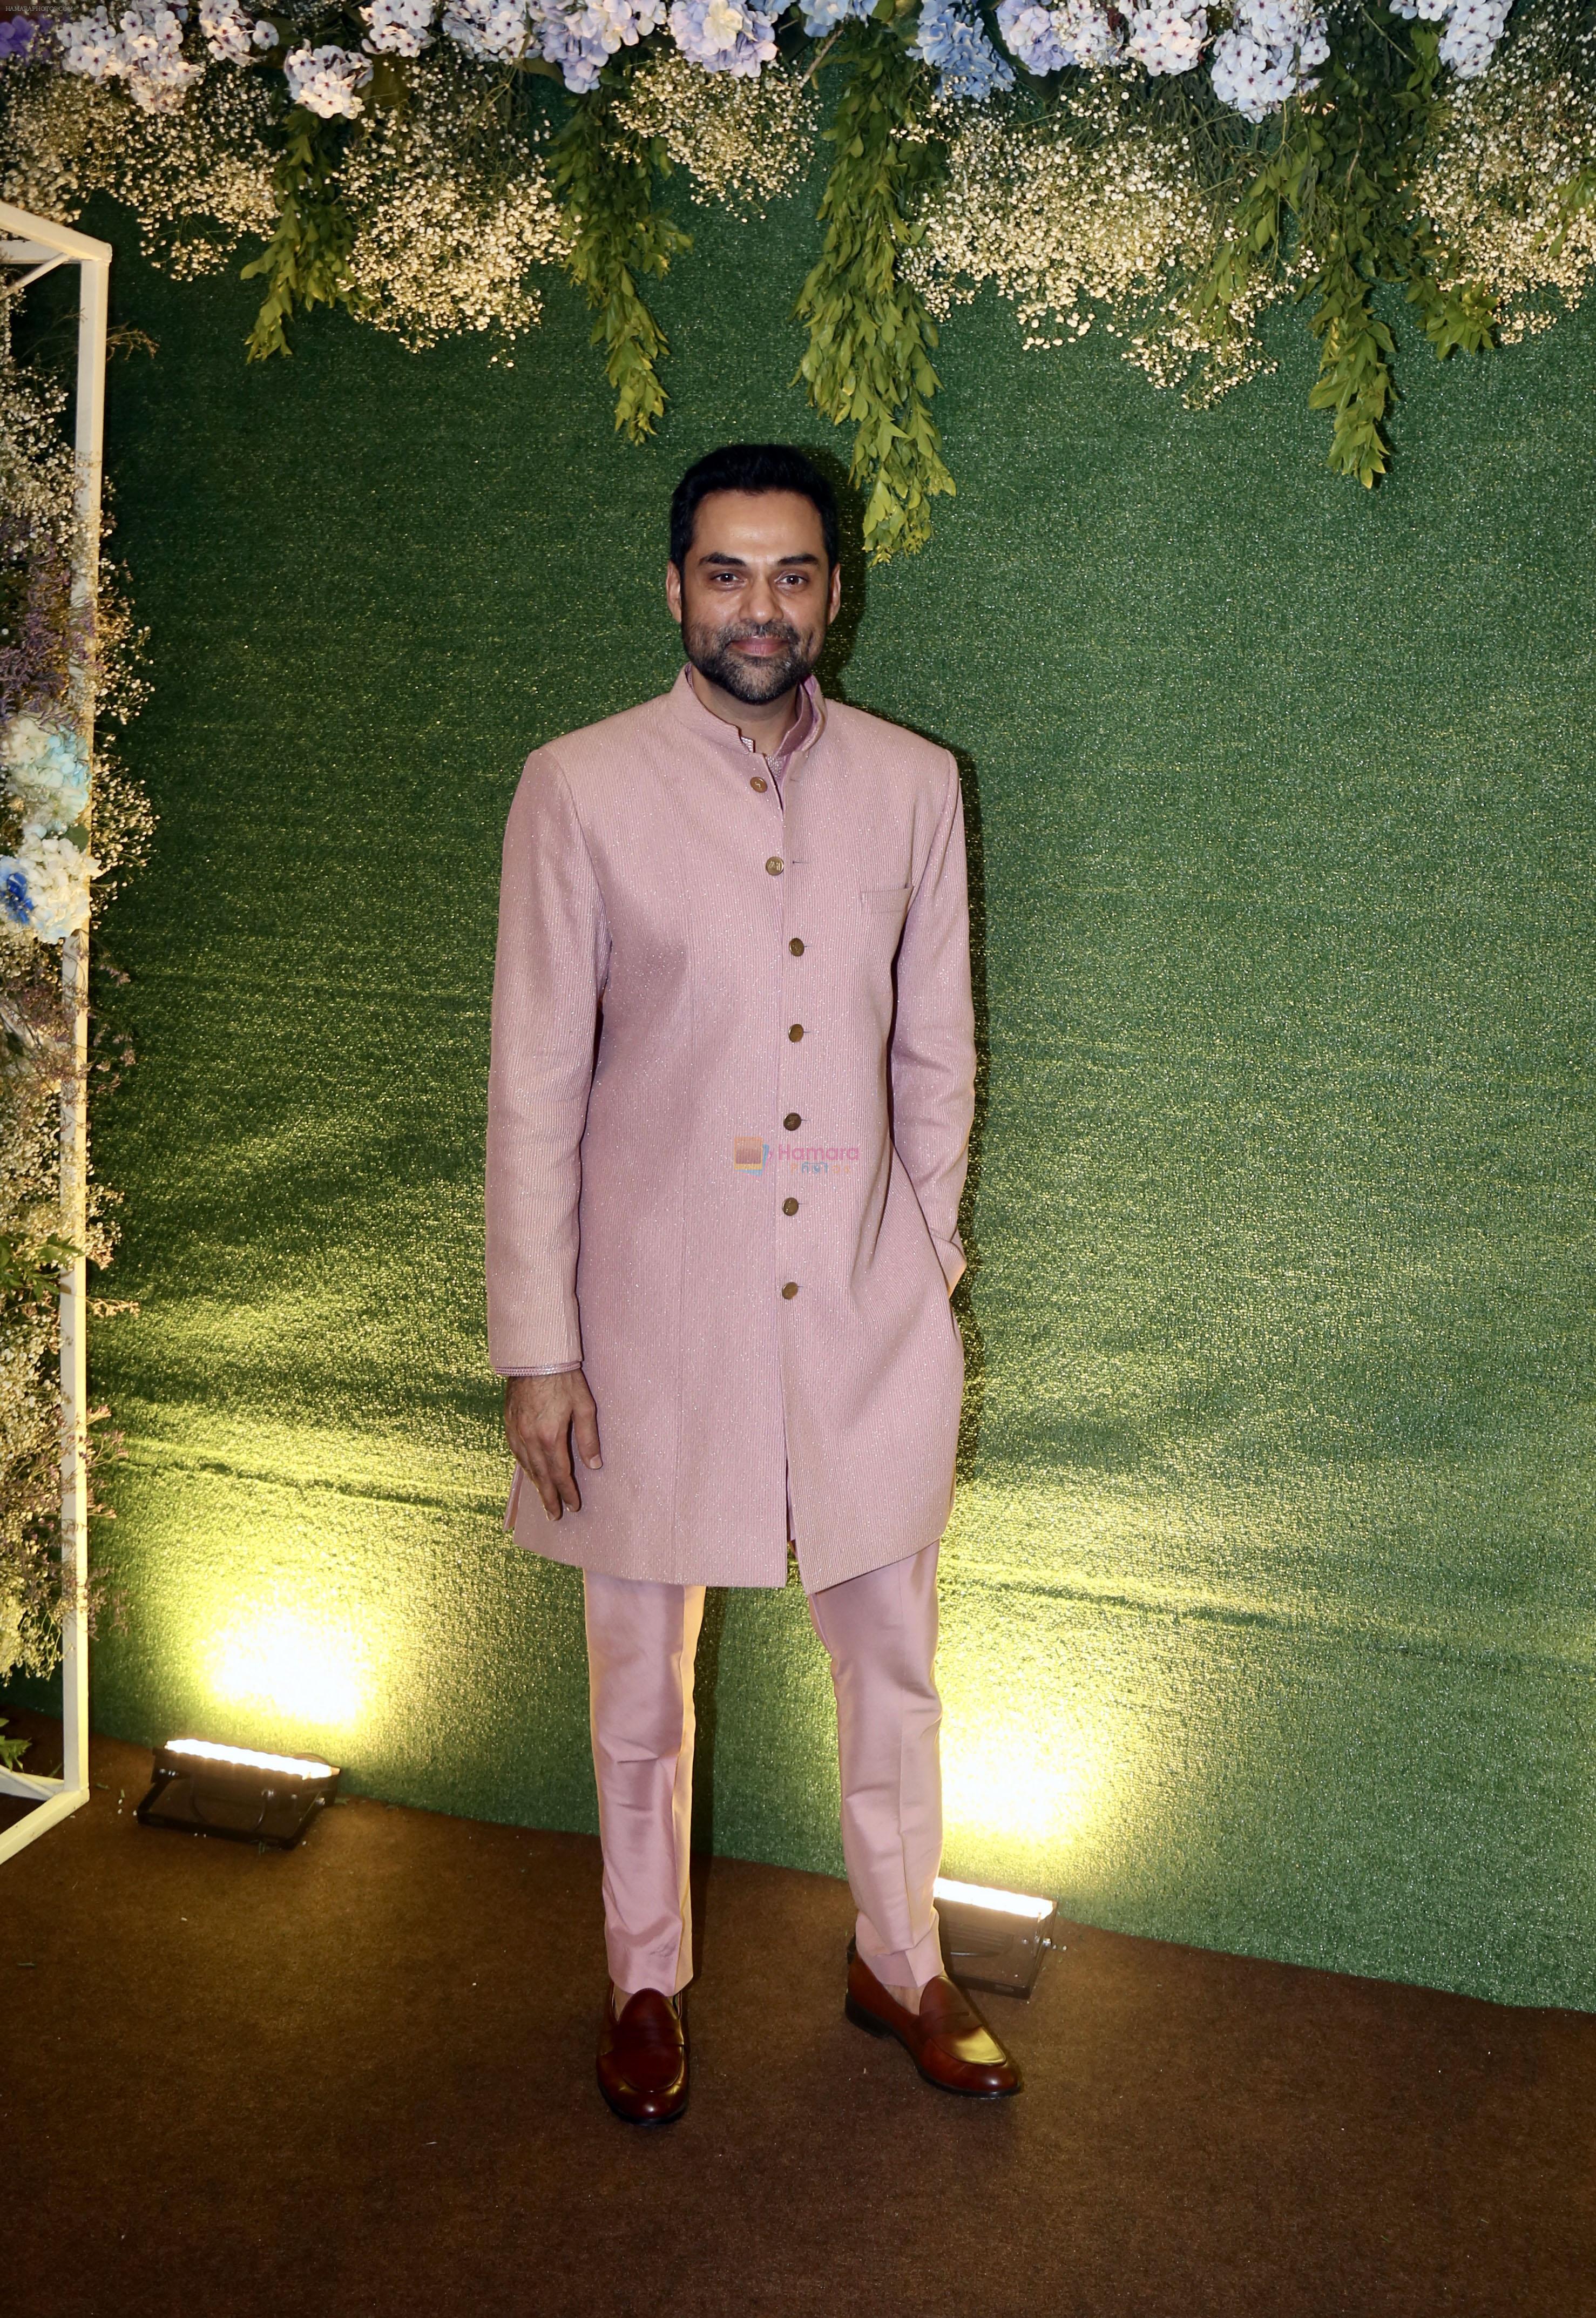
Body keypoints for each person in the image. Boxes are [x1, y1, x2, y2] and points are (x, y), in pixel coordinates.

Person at [486, 442, 1020, 2123]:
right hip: (649, 1325)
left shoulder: (916, 786)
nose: (759, 607)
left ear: (833, 593)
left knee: (896, 1670)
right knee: (639, 1686)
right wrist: (538, 1346)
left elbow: (937, 1057)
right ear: (673, 588)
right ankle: (643, 1977)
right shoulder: (576, 786)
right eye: (726, 572)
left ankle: (899, 1957)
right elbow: (531, 1088)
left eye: (792, 574)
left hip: (866, 1319)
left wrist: (917, 1264)